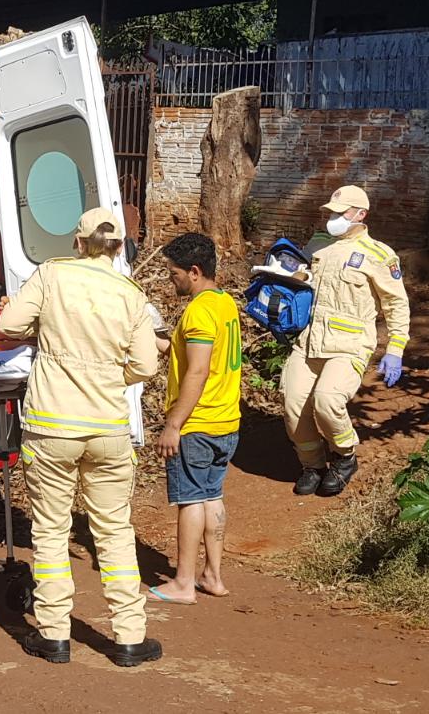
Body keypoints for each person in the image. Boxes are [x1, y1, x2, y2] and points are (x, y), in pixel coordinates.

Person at [0, 207, 162, 667]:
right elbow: (146, 366)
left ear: (78, 242)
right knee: (114, 531)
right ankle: (130, 637)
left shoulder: (51, 276)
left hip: (51, 425)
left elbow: (8, 325)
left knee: (50, 531)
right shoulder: (131, 293)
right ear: (118, 247)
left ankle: (54, 635)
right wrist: (111, 376)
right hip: (108, 427)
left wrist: (42, 336)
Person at [269, 185, 411, 497]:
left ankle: (345, 457)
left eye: (340, 212)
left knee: (328, 400)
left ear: (361, 214)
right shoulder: (318, 244)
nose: (332, 218)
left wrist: (395, 348)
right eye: (331, 212)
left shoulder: (380, 255)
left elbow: (396, 304)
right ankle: (313, 465)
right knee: (293, 405)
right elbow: (300, 282)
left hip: (350, 345)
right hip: (308, 342)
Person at [147, 233, 241, 606]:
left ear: (194, 271)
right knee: (211, 496)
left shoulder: (199, 310)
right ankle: (213, 576)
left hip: (197, 426)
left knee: (189, 501)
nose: (172, 280)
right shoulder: (224, 303)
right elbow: (190, 354)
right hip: (225, 422)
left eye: (174, 274)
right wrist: (155, 340)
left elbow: (197, 372)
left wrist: (173, 425)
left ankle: (183, 582)